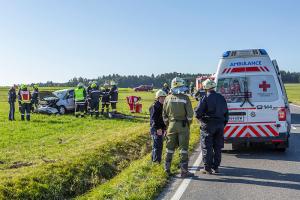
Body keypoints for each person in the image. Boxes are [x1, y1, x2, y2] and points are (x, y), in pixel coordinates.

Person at [194, 79, 229, 174]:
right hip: (220, 125)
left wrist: (201, 119)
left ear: (205, 88)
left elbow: (198, 113)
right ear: (214, 87)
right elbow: (226, 113)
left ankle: (207, 168)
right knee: (218, 147)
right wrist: (222, 124)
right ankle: (216, 167)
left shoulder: (205, 98)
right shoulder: (221, 97)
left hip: (208, 125)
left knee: (207, 146)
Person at [163, 77, 194, 178]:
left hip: (171, 126)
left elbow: (164, 115)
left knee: (169, 148)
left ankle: (166, 170)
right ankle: (184, 171)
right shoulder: (185, 98)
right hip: (183, 125)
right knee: (183, 149)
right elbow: (190, 115)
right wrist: (188, 124)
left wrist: (168, 125)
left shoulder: (167, 98)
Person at [149, 89, 167, 163]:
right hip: (156, 129)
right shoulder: (155, 106)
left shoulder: (162, 105)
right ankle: (156, 162)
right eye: (161, 97)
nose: (163, 99)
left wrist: (164, 128)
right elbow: (154, 119)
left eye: (164, 97)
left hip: (160, 128)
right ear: (157, 98)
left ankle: (154, 161)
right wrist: (158, 129)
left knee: (157, 145)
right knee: (158, 146)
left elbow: (163, 119)